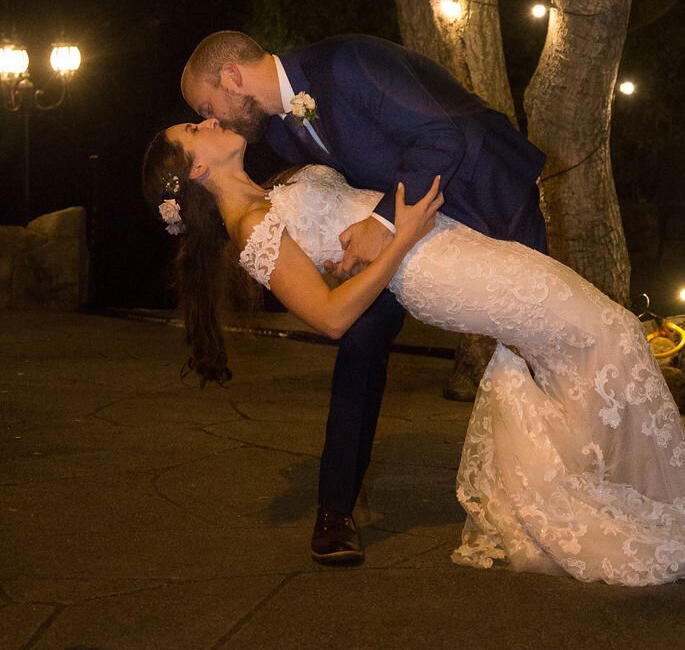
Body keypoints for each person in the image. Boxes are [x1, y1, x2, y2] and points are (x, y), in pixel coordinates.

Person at [142, 116, 685, 586]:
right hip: (429, 268)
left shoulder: (266, 191)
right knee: (610, 331)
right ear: (197, 169)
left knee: (595, 338)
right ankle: (652, 511)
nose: (208, 120)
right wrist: (403, 235)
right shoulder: (250, 228)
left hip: (444, 244)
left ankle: (611, 493)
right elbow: (332, 317)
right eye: (194, 129)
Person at [179, 30, 548, 566]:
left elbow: (443, 138)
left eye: (209, 107)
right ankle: (334, 512)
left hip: (486, 190)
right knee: (361, 340)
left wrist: (382, 225)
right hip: (408, 231)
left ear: (232, 77)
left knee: (538, 339)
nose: (217, 121)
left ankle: (570, 482)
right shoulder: (282, 135)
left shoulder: (347, 62)